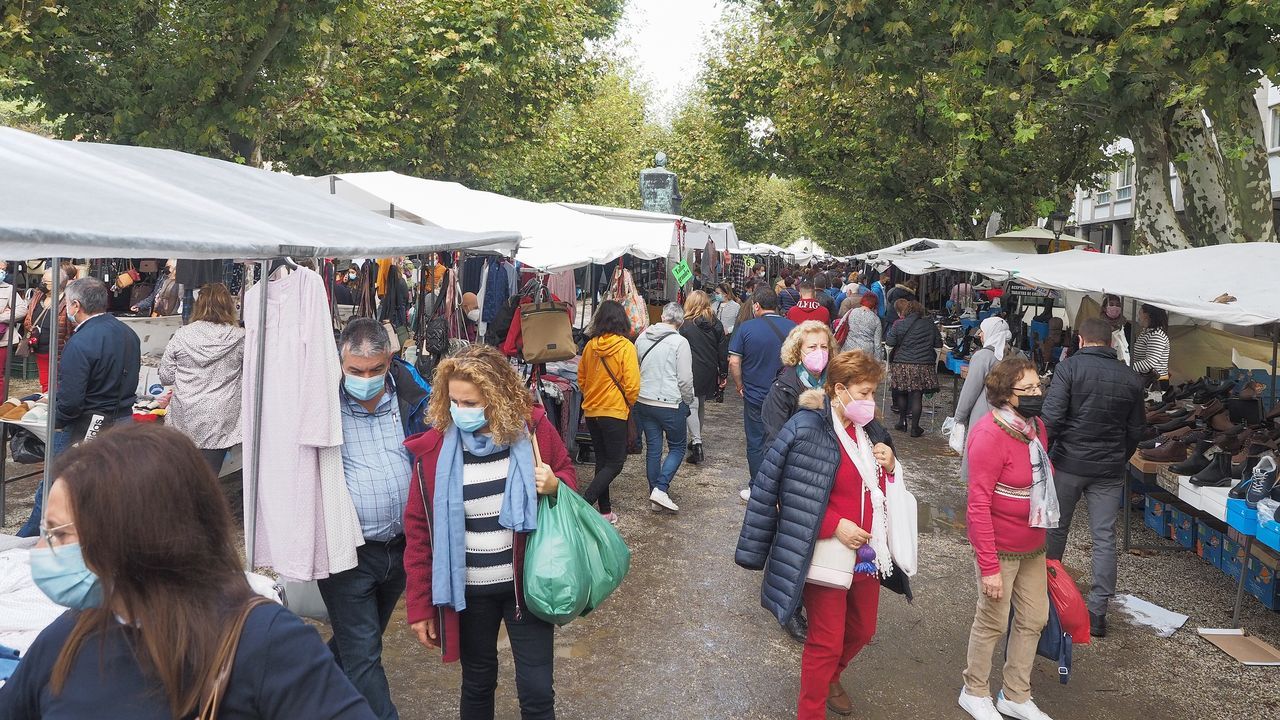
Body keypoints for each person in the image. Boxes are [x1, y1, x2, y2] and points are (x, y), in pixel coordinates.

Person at [0, 424, 376, 719]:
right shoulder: (68, 636)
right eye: (47, 533)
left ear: (138, 536)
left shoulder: (266, 644)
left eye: (61, 534)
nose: (42, 550)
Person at [403, 345, 577, 720]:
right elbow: (418, 532)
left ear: (496, 397)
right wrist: (420, 605)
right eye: (454, 401)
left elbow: (567, 477)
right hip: (469, 595)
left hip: (526, 588)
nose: (460, 411)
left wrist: (555, 484)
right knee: (477, 684)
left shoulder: (531, 431)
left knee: (536, 692)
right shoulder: (435, 451)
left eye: (471, 402)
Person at [737, 350, 901, 719]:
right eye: (863, 393)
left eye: (874, 393)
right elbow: (786, 494)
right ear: (839, 389)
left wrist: (891, 465)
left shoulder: (870, 430)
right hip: (823, 551)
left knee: (862, 629)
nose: (870, 402)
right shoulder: (807, 428)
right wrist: (833, 524)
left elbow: (881, 487)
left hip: (867, 553)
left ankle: (830, 677)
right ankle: (810, 711)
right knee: (825, 641)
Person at [312, 318, 429, 719]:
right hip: (349, 551)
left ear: (389, 360)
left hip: (402, 548)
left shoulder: (414, 398)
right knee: (363, 655)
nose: (365, 378)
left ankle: (304, 691)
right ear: (340, 362)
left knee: (356, 643)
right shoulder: (321, 405)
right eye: (355, 371)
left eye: (375, 369)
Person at [959, 356, 1054, 720]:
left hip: (1032, 544)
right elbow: (977, 504)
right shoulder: (988, 434)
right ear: (1005, 394)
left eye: (1037, 387)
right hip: (999, 546)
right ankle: (975, 689)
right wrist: (988, 567)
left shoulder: (1036, 428)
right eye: (1026, 389)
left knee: (1034, 618)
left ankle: (1015, 694)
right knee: (993, 621)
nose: (1035, 394)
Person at [1042, 317, 1145, 639]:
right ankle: (1098, 612)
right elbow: (1136, 430)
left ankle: (1048, 599)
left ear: (1081, 340)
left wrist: (1044, 455)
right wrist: (1119, 456)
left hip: (1068, 463)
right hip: (1109, 469)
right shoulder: (1131, 377)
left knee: (1056, 528)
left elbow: (1052, 418)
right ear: (1112, 344)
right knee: (1104, 538)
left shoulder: (1069, 368)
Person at [18, 278, 141, 538]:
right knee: (108, 486)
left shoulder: (81, 341)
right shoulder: (128, 332)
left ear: (75, 305)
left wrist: (55, 420)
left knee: (57, 486)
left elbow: (71, 401)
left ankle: (30, 540)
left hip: (88, 424)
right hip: (122, 420)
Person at [158, 283, 245, 474]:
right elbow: (249, 377)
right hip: (221, 418)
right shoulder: (240, 338)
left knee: (183, 475)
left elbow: (165, 376)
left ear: (199, 305)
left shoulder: (182, 335)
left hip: (185, 415)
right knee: (209, 477)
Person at [729, 288, 797, 502]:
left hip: (755, 394)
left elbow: (734, 361)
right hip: (787, 395)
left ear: (756, 305)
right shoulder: (793, 328)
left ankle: (758, 487)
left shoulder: (746, 328)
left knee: (756, 440)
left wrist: (740, 385)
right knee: (784, 440)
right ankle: (781, 487)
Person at [578, 300, 639, 523]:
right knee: (615, 463)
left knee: (603, 462)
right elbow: (632, 385)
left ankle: (605, 511)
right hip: (614, 411)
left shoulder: (590, 346)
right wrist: (628, 403)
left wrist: (593, 395)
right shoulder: (626, 347)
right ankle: (583, 504)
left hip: (592, 411)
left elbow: (581, 379)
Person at [634, 302, 695, 513]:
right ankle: (660, 488)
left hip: (644, 399)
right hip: (670, 402)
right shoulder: (680, 342)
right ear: (681, 321)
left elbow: (636, 367)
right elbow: (685, 379)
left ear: (662, 317)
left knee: (653, 448)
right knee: (677, 447)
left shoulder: (642, 337)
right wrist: (688, 400)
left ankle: (654, 495)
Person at [954, 317, 1019, 473]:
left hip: (984, 414)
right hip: (1010, 417)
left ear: (991, 332)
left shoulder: (983, 356)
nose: (980, 335)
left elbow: (970, 390)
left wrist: (959, 418)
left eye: (982, 331)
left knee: (980, 466)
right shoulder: (1016, 356)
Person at [763, 321, 835, 447]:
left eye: (824, 347)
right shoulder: (783, 388)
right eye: (812, 347)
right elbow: (774, 437)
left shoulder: (837, 382)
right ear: (798, 351)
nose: (819, 352)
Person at [680, 290, 727, 465]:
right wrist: (723, 373)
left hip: (691, 368)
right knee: (699, 404)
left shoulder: (684, 326)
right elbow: (723, 351)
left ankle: (697, 443)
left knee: (691, 404)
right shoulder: (716, 324)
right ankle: (695, 439)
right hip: (709, 369)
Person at [884, 299, 942, 437]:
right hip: (923, 365)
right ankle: (915, 428)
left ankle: (902, 422)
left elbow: (890, 343)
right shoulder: (930, 325)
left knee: (902, 393)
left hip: (902, 364)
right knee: (917, 395)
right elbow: (938, 344)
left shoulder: (899, 324)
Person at [22, 266, 75, 392]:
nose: (42, 283)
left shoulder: (69, 299)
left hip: (60, 349)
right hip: (40, 347)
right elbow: (29, 315)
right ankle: (46, 406)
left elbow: (73, 325)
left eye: (46, 282)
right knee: (45, 383)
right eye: (42, 280)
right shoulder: (38, 295)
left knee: (60, 382)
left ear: (58, 283)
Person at [1131, 304, 1171, 391]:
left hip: (1156, 383)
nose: (1138, 316)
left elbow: (1150, 362)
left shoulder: (1156, 335)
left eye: (1140, 313)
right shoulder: (1146, 333)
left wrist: (1129, 367)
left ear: (1147, 315)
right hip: (1147, 380)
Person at [0, 272, 28, 378]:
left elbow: (21, 310)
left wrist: (2, 317)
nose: (1, 272)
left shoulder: (9, 289)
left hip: (2, 340)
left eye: (3, 269)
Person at [837, 293, 882, 359]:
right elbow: (877, 344)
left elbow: (839, 326)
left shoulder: (851, 312)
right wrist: (878, 361)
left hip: (849, 348)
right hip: (866, 352)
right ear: (874, 305)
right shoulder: (876, 319)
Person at [1099, 293, 1131, 364]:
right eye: (1111, 304)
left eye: (1118, 305)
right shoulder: (1099, 325)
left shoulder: (1127, 325)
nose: (1115, 307)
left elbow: (1131, 346)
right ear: (1104, 308)